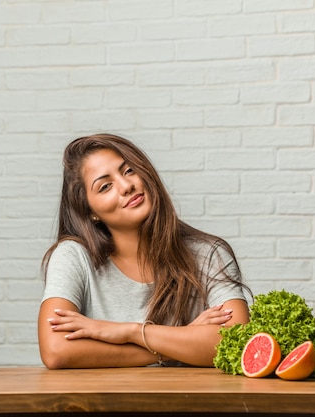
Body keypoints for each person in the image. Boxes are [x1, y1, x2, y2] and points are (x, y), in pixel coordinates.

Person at [38, 133, 251, 369]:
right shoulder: (74, 257)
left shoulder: (209, 253)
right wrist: (177, 341)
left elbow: (237, 342)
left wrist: (129, 332)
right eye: (105, 186)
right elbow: (56, 351)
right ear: (90, 211)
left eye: (129, 170)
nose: (127, 186)